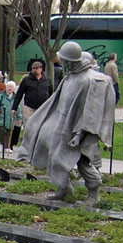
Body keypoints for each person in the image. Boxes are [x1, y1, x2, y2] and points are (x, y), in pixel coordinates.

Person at [17, 41, 114, 205]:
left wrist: (79, 133)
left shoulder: (89, 80)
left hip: (81, 129)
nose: (61, 61)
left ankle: (93, 193)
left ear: (71, 60)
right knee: (55, 156)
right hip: (63, 126)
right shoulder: (71, 76)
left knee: (83, 161)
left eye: (64, 59)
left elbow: (91, 111)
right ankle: (64, 187)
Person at [12, 59, 53, 124]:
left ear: (41, 69)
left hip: (43, 107)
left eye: (36, 68)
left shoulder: (47, 80)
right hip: (29, 107)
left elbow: (51, 95)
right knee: (29, 125)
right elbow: (19, 94)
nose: (35, 70)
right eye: (33, 68)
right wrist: (14, 107)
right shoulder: (26, 80)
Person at [0, 80, 20, 155]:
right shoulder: (1, 96)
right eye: (8, 86)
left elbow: (18, 107)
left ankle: (7, 146)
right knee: (1, 130)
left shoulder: (15, 98)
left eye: (11, 87)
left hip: (10, 117)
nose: (10, 88)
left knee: (8, 131)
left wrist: (19, 117)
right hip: (2, 115)